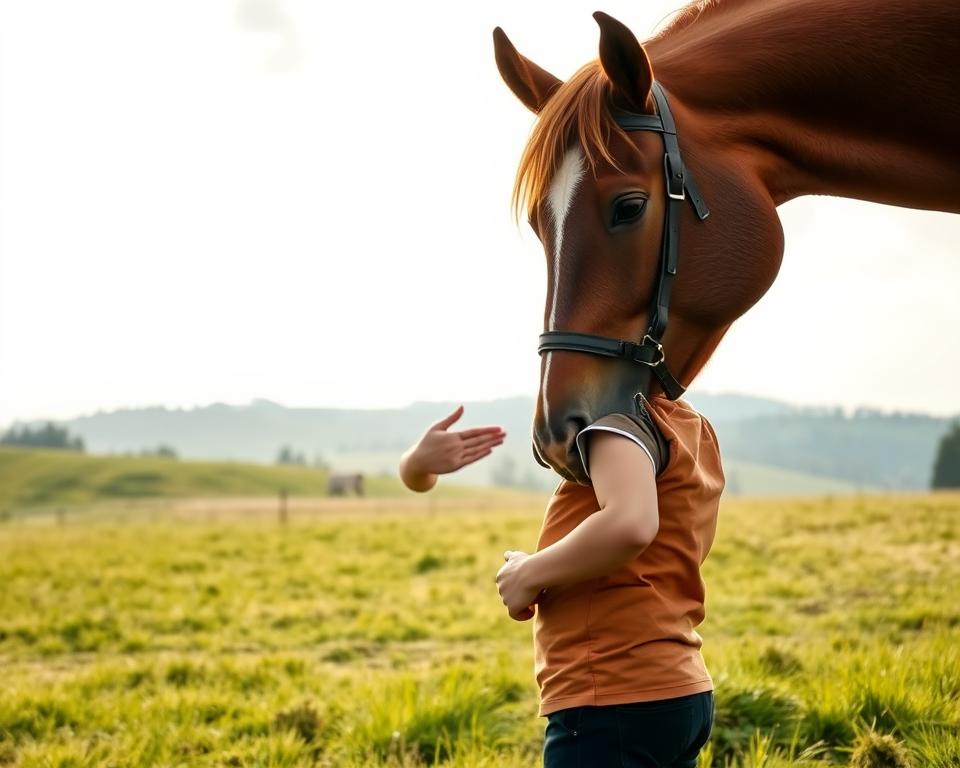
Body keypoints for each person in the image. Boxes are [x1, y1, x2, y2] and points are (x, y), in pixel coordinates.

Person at [400, 392, 723, 767]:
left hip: (612, 694)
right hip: (681, 690)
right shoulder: (690, 427)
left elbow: (631, 524)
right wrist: (416, 465)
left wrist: (528, 573)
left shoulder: (614, 425)